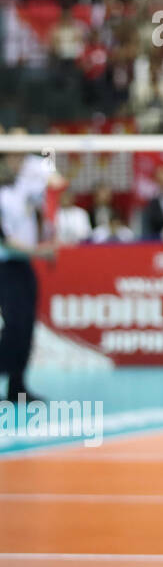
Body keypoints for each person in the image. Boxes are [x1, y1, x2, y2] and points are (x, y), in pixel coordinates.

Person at [0, 152, 56, 404]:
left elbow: (55, 183)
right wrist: (39, 251)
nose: (17, 163)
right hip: (5, 266)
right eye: (13, 158)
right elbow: (6, 240)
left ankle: (17, 387)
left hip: (25, 266)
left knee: (26, 327)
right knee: (13, 325)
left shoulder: (23, 191)